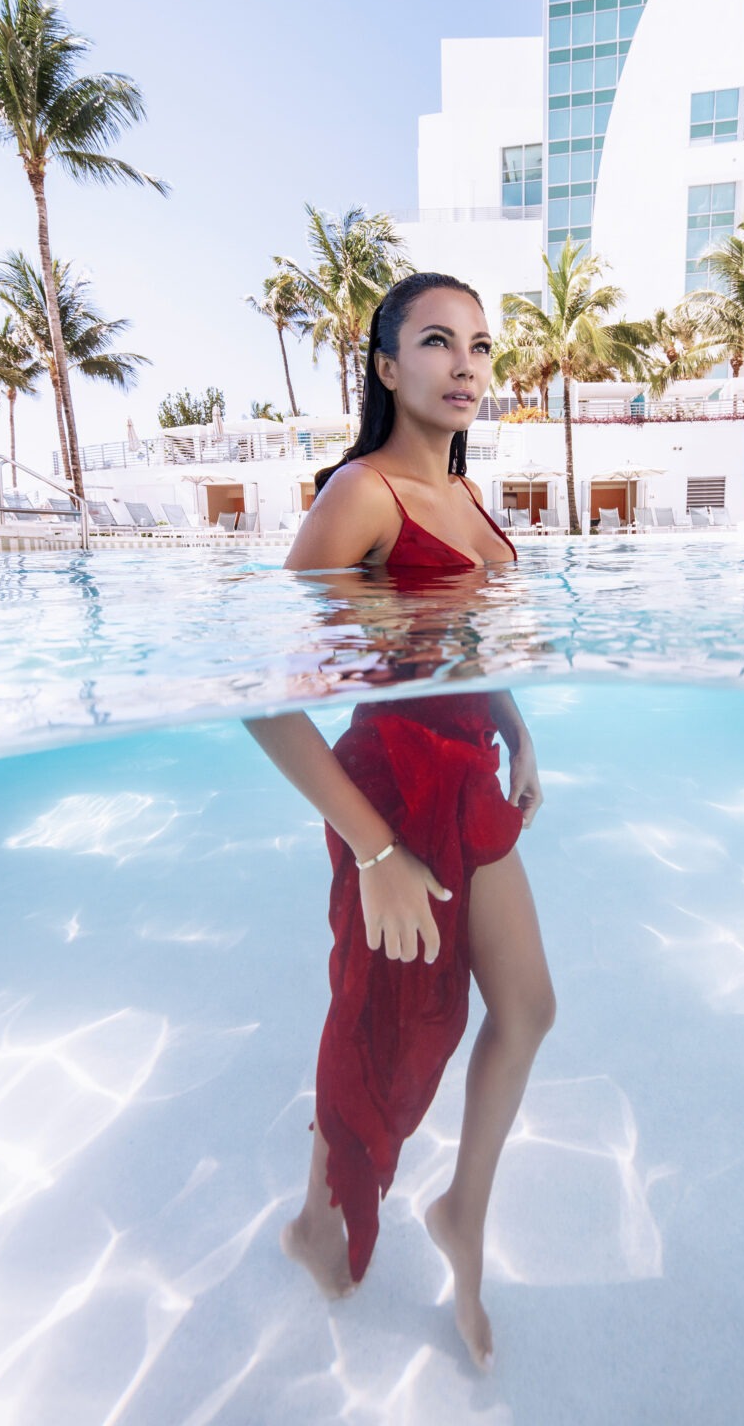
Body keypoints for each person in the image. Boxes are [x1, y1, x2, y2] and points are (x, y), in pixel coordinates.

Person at [245, 271, 555, 1370]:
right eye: (436, 342)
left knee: (526, 1010)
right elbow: (261, 690)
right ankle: (316, 1221)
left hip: (465, 777)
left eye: (479, 344)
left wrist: (515, 728)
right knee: (376, 1020)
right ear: (385, 367)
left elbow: (463, 651)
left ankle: (460, 1212)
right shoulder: (362, 494)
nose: (466, 364)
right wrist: (373, 848)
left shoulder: (468, 500)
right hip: (390, 798)